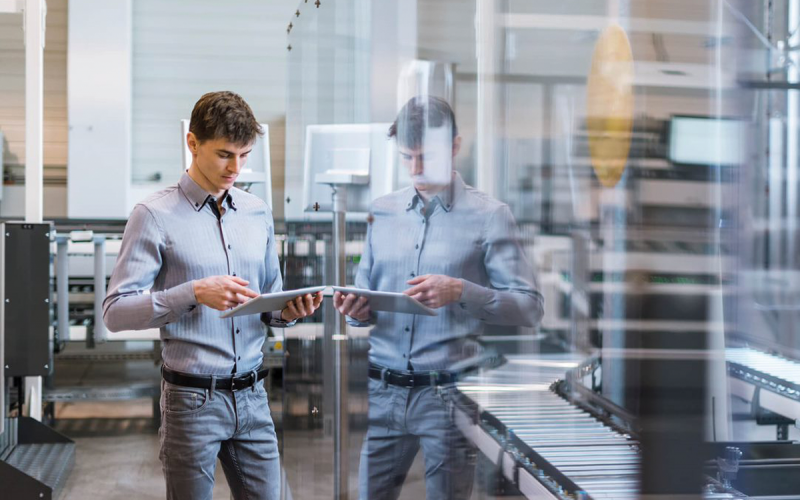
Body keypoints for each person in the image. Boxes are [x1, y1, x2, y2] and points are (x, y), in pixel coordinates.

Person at [103, 91, 322, 500]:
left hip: (255, 396)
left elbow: (269, 300)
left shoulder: (257, 212)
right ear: (192, 143)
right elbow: (115, 313)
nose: (235, 168)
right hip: (192, 401)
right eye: (224, 154)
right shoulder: (154, 215)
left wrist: (289, 311)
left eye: (244, 155)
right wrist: (193, 292)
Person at [334, 95, 543, 499]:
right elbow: (364, 300)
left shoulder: (489, 216)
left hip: (447, 397)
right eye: (406, 157)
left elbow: (530, 307)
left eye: (424, 157)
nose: (415, 169)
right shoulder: (383, 211)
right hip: (383, 393)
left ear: (454, 147)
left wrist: (461, 290)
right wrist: (356, 312)